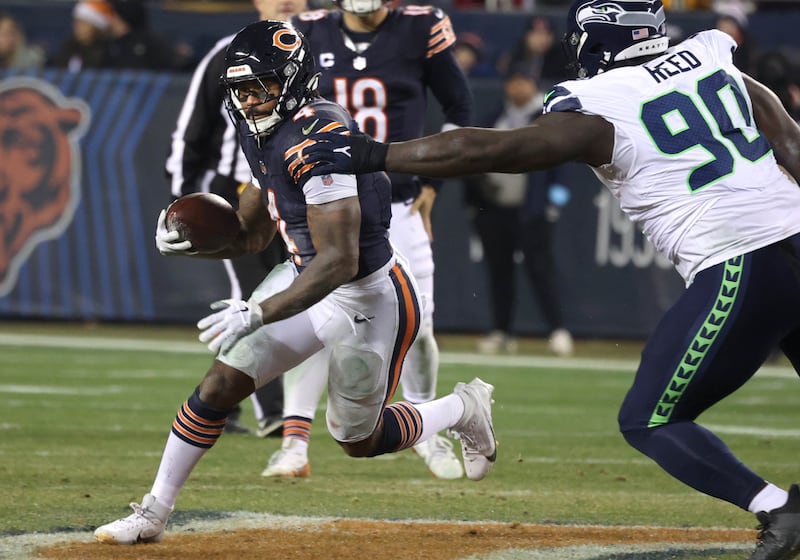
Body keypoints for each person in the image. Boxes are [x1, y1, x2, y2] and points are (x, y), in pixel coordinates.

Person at [302, 0, 800, 557]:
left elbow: (495, 149)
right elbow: (791, 140)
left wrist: (373, 153)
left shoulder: (601, 104)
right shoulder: (712, 56)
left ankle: (777, 508)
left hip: (740, 258)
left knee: (649, 419)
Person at [92, 20, 496, 546]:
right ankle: (153, 512)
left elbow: (340, 261)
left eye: (260, 86)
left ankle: (463, 407)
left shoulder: (319, 136)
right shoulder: (258, 128)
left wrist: (258, 311)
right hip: (307, 273)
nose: (249, 100)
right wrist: (197, 241)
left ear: (295, 79)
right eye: (239, 90)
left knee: (358, 439)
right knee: (220, 384)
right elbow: (255, 234)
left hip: (369, 296)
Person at [256, 0, 474, 480]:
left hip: (397, 202)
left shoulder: (421, 26)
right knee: (314, 324)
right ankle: (294, 443)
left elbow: (459, 108)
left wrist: (435, 185)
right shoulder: (305, 32)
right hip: (325, 201)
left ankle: (424, 426)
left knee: (420, 326)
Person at [165, 0, 307, 437]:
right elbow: (191, 131)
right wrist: (184, 199)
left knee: (298, 293)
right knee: (252, 297)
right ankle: (274, 412)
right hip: (237, 191)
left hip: (300, 188)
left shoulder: (324, 53)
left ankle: (227, 404)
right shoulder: (227, 52)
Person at [465, 70, 573, 357]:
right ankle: (502, 331)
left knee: (541, 271)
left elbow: (561, 166)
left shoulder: (546, 118)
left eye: (522, 81)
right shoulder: (494, 117)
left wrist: (554, 205)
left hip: (532, 211)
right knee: (499, 272)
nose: (517, 87)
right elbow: (473, 160)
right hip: (495, 210)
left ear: (533, 85)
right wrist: (474, 199)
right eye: (512, 81)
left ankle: (558, 330)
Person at [104, 0, 192, 71]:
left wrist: (182, 59)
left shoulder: (150, 42)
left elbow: (175, 65)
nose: (110, 20)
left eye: (113, 16)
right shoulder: (112, 45)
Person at [51, 0, 113, 72]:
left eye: (83, 23)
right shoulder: (69, 46)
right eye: (76, 22)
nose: (77, 26)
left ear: (95, 26)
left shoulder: (107, 51)